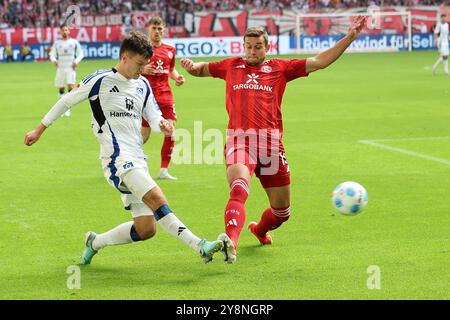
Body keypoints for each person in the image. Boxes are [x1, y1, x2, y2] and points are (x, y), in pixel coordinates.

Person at [24, 31, 223, 265]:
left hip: (138, 158)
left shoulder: (143, 85)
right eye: (139, 64)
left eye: (145, 65)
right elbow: (66, 100)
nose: (142, 70)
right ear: (125, 57)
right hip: (116, 159)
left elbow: (154, 115)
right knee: (156, 197)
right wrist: (39, 129)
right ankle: (200, 245)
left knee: (146, 229)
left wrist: (163, 125)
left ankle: (95, 242)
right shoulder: (100, 80)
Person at [181, 17, 367, 264]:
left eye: (257, 46)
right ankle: (230, 242)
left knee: (282, 213)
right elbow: (202, 69)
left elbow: (320, 62)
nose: (252, 51)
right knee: (238, 187)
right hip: (240, 141)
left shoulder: (280, 68)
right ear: (243, 46)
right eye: (248, 46)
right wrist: (192, 66)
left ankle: (259, 230)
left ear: (267, 48)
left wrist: (350, 37)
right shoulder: (231, 66)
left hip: (270, 146)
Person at [141, 17, 185, 180]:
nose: (157, 31)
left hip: (165, 96)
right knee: (143, 137)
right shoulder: (142, 49)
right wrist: (142, 68)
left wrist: (177, 77)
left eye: (160, 28)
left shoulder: (170, 50)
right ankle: (126, 162)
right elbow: (130, 69)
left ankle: (163, 171)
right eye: (154, 28)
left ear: (164, 30)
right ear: (148, 29)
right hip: (146, 98)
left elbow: (171, 69)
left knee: (170, 131)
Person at [49, 24, 84, 116]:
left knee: (70, 87)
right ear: (60, 32)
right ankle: (60, 110)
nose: (64, 32)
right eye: (63, 30)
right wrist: (54, 61)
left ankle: (67, 109)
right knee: (61, 88)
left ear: (69, 31)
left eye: (66, 30)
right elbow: (52, 54)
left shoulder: (74, 42)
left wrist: (76, 61)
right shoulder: (57, 43)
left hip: (70, 67)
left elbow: (81, 54)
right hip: (61, 68)